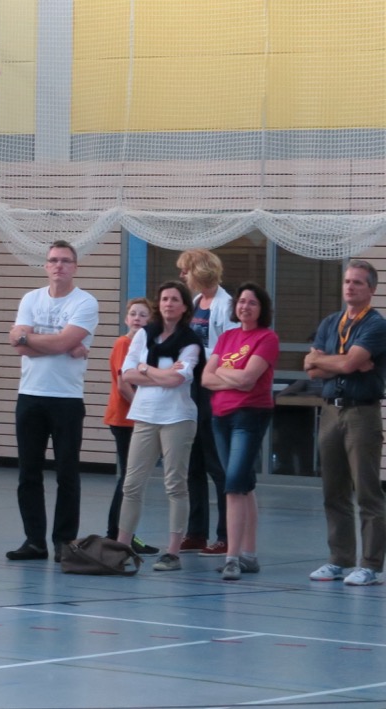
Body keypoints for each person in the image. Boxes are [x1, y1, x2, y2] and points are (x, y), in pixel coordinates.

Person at [6, 240, 99, 562]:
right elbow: (20, 346)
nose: (59, 265)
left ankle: (63, 541)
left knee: (66, 474)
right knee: (28, 473)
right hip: (30, 395)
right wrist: (56, 343)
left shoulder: (85, 302)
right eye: (54, 260)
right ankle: (34, 541)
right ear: (46, 266)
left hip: (66, 399)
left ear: (75, 267)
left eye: (66, 261)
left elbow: (51, 342)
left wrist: (31, 338)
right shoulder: (30, 299)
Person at [303, 259, 386, 587]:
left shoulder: (375, 325)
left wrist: (334, 361)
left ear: (371, 289)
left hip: (361, 413)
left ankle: (371, 565)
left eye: (358, 282)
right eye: (347, 281)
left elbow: (349, 364)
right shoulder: (330, 322)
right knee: (333, 490)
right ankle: (339, 559)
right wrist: (340, 362)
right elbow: (310, 368)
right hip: (330, 411)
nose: (350, 287)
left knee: (366, 491)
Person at [117, 280, 204, 572]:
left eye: (175, 299)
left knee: (175, 485)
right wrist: (156, 373)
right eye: (164, 298)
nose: (168, 303)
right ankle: (121, 548)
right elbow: (128, 374)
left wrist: (145, 369)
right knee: (132, 485)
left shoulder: (191, 341)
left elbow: (177, 379)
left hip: (177, 418)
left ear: (184, 307)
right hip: (145, 415)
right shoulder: (144, 334)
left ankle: (173, 552)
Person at [201, 283, 279, 581]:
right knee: (244, 484)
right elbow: (206, 378)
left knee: (233, 485)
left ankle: (232, 558)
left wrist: (223, 373)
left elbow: (249, 379)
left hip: (250, 415)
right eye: (242, 301)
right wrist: (230, 376)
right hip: (220, 416)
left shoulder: (267, 338)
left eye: (252, 303)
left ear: (262, 309)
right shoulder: (227, 337)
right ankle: (249, 555)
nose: (245, 306)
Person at [176, 248, 235, 555]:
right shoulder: (196, 302)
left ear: (198, 271)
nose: (182, 276)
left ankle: (226, 534)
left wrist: (199, 355)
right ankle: (196, 531)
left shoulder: (227, 305)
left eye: (185, 270)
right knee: (193, 462)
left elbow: (230, 351)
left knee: (216, 463)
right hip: (192, 387)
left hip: (213, 388)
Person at [101, 297, 158, 555]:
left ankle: (122, 532)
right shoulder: (124, 343)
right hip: (125, 419)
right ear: (126, 319)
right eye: (133, 314)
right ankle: (118, 533)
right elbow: (124, 384)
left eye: (143, 315)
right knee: (129, 478)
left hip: (134, 418)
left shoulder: (144, 346)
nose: (137, 318)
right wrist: (142, 409)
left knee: (130, 478)